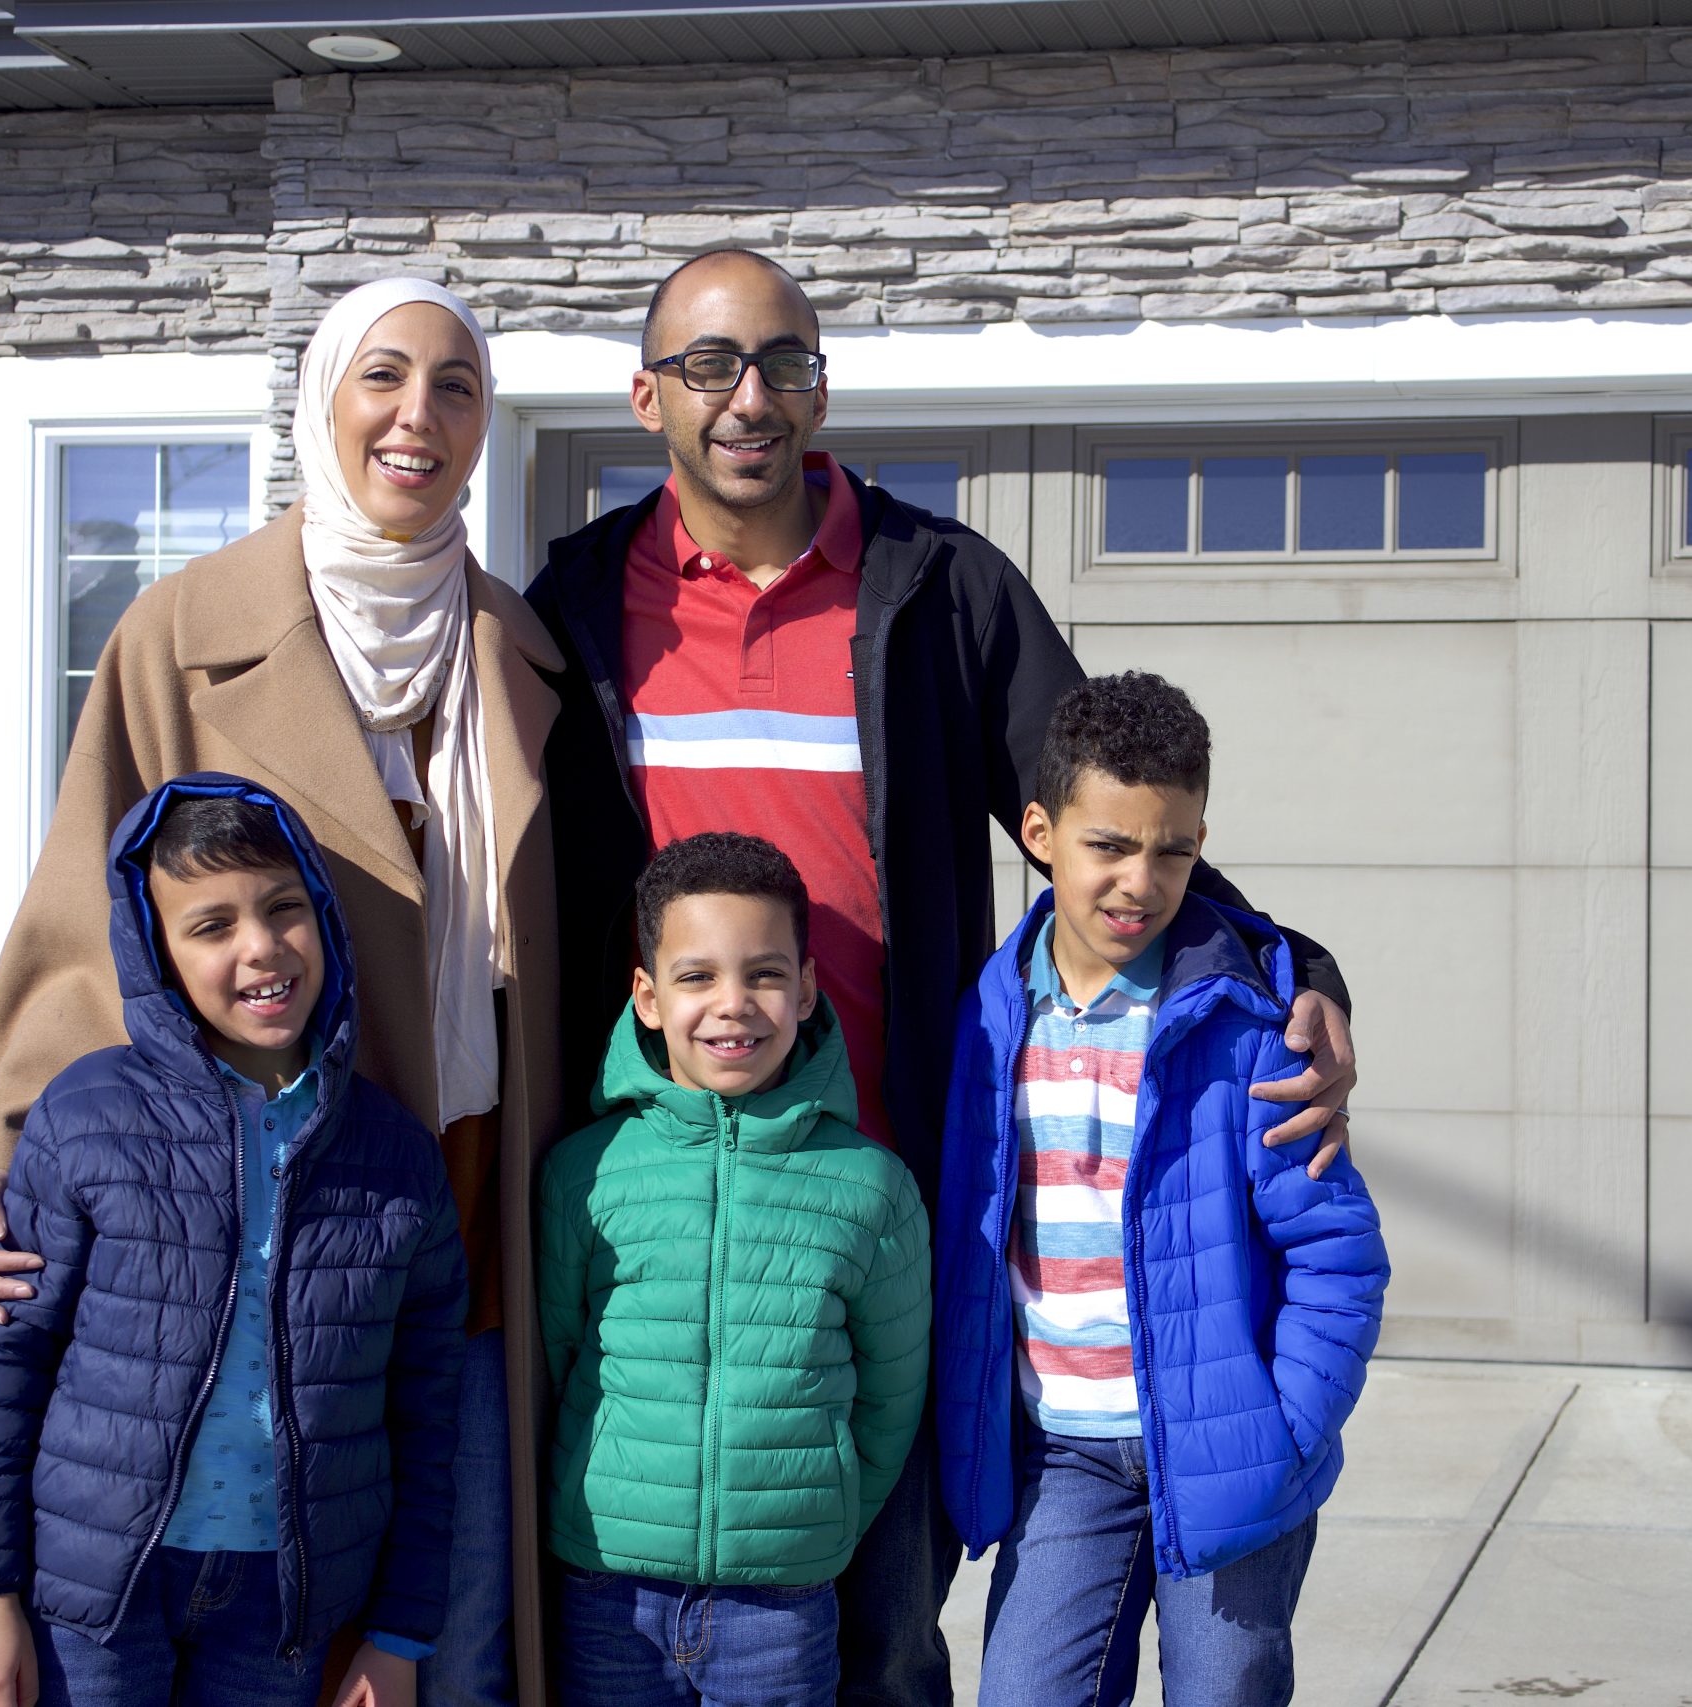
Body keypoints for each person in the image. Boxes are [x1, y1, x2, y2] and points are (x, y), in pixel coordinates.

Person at [522, 247, 1362, 1704]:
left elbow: (1112, 821)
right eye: (711, 364)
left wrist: (1297, 964)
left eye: (784, 360)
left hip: (888, 1199)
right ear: (646, 394)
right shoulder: (578, 605)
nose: (750, 396)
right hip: (668, 1203)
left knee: (888, 1639)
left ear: (823, 388)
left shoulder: (941, 590)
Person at [0, 277, 563, 1706]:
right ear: (323, 399)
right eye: (384, 377)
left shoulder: (523, 657)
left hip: (451, 1212)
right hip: (238, 1206)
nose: (421, 415)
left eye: (457, 386)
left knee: (441, 1643)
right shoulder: (180, 630)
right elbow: (79, 916)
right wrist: (4, 1152)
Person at [0, 776, 467, 1707]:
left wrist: (397, 1634)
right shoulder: (85, 1116)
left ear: (325, 919)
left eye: (283, 908)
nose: (260, 946)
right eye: (211, 926)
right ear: (157, 951)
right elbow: (3, 1366)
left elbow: (427, 1416)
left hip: (283, 1610)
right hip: (92, 1596)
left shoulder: (398, 1157)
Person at [934, 673, 1388, 1707]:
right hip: (1063, 1453)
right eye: (1109, 846)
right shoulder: (993, 1017)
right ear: (1041, 832)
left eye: (1172, 850)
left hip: (1233, 1453)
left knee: (1223, 1689)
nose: (1139, 881)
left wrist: (1284, 1429)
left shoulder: (1245, 1029)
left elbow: (1337, 1255)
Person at [537, 832, 930, 1706]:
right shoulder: (583, 1173)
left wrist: (811, 1523)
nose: (734, 1004)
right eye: (697, 976)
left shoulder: (870, 1186)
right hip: (609, 1591)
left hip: (783, 1607)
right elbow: (560, 1357)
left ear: (808, 988)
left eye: (763, 973)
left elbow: (890, 1397)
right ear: (646, 995)